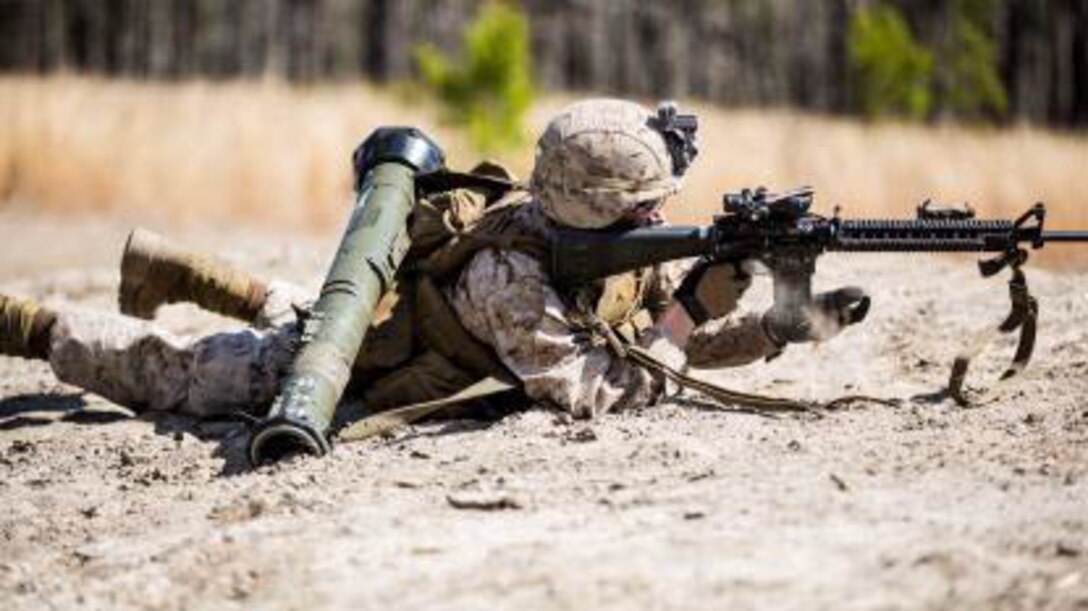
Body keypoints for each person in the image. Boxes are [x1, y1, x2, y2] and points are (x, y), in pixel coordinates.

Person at [0, 99, 867, 422]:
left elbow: (639, 339)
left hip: (404, 325)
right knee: (176, 376)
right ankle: (28, 325)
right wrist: (695, 310)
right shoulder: (511, 277)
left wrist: (783, 327)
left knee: (294, 304)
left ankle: (174, 268)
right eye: (650, 207)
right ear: (603, 211)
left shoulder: (587, 243)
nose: (663, 216)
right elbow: (600, 388)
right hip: (345, 369)